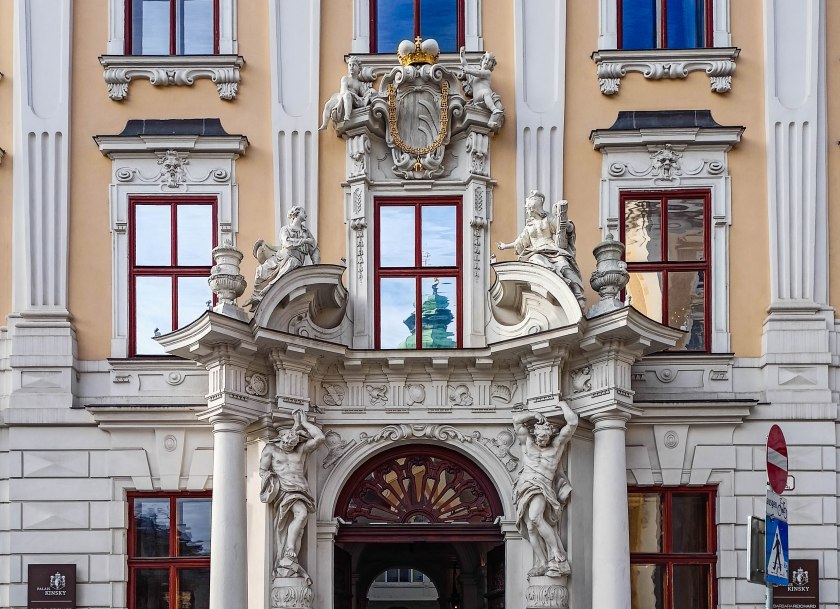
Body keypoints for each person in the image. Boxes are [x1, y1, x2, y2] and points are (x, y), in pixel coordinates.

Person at [512, 402, 578, 578]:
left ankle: (558, 555)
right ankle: (542, 562)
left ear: (550, 436)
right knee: (530, 527)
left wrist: (563, 405)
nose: (542, 441)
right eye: (539, 437)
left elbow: (572, 424)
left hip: (542, 487)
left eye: (545, 438)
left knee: (535, 517)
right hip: (525, 486)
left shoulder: (556, 447)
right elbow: (516, 421)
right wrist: (533, 414)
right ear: (535, 434)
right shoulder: (527, 443)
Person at [259, 409, 326, 579]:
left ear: (297, 441)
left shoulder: (301, 449)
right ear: (282, 438)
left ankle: (290, 552)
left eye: (292, 443)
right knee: (301, 514)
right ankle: (288, 550)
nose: (289, 446)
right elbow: (263, 471)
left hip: (301, 488)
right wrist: (271, 483)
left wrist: (304, 423)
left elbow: (320, 438)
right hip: (284, 489)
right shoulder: (271, 449)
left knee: (301, 522)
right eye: (287, 443)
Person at [498, 191, 586, 308]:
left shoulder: (549, 219)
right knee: (537, 260)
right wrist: (505, 246)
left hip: (552, 249)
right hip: (536, 251)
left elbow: (562, 227)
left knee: (564, 264)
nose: (527, 211)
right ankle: (555, 281)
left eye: (528, 209)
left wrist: (567, 225)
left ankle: (577, 294)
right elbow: (519, 242)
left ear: (534, 209)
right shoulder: (529, 226)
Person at [246, 206, 320, 308]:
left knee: (292, 263)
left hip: (295, 259)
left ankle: (268, 289)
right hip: (281, 257)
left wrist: (316, 266)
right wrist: (304, 241)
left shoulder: (306, 232)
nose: (306, 214)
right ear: (296, 213)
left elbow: (314, 248)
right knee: (261, 270)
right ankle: (258, 297)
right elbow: (287, 243)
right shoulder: (285, 229)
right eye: (303, 212)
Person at [320, 56, 374, 130]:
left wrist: (370, 92)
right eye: (350, 65)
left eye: (354, 65)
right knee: (328, 105)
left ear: (359, 69)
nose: (351, 67)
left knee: (347, 95)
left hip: (350, 98)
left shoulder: (359, 84)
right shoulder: (345, 78)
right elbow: (344, 90)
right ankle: (324, 124)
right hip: (340, 97)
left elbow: (364, 94)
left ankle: (347, 116)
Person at [459, 48, 504, 127]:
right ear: (482, 60)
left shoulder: (487, 73)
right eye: (485, 59)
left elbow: (478, 73)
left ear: (492, 65)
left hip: (490, 96)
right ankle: (493, 109)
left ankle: (491, 121)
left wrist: (467, 71)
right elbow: (465, 64)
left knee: (500, 106)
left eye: (489, 61)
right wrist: (462, 56)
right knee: (485, 92)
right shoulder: (474, 75)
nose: (487, 61)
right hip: (479, 96)